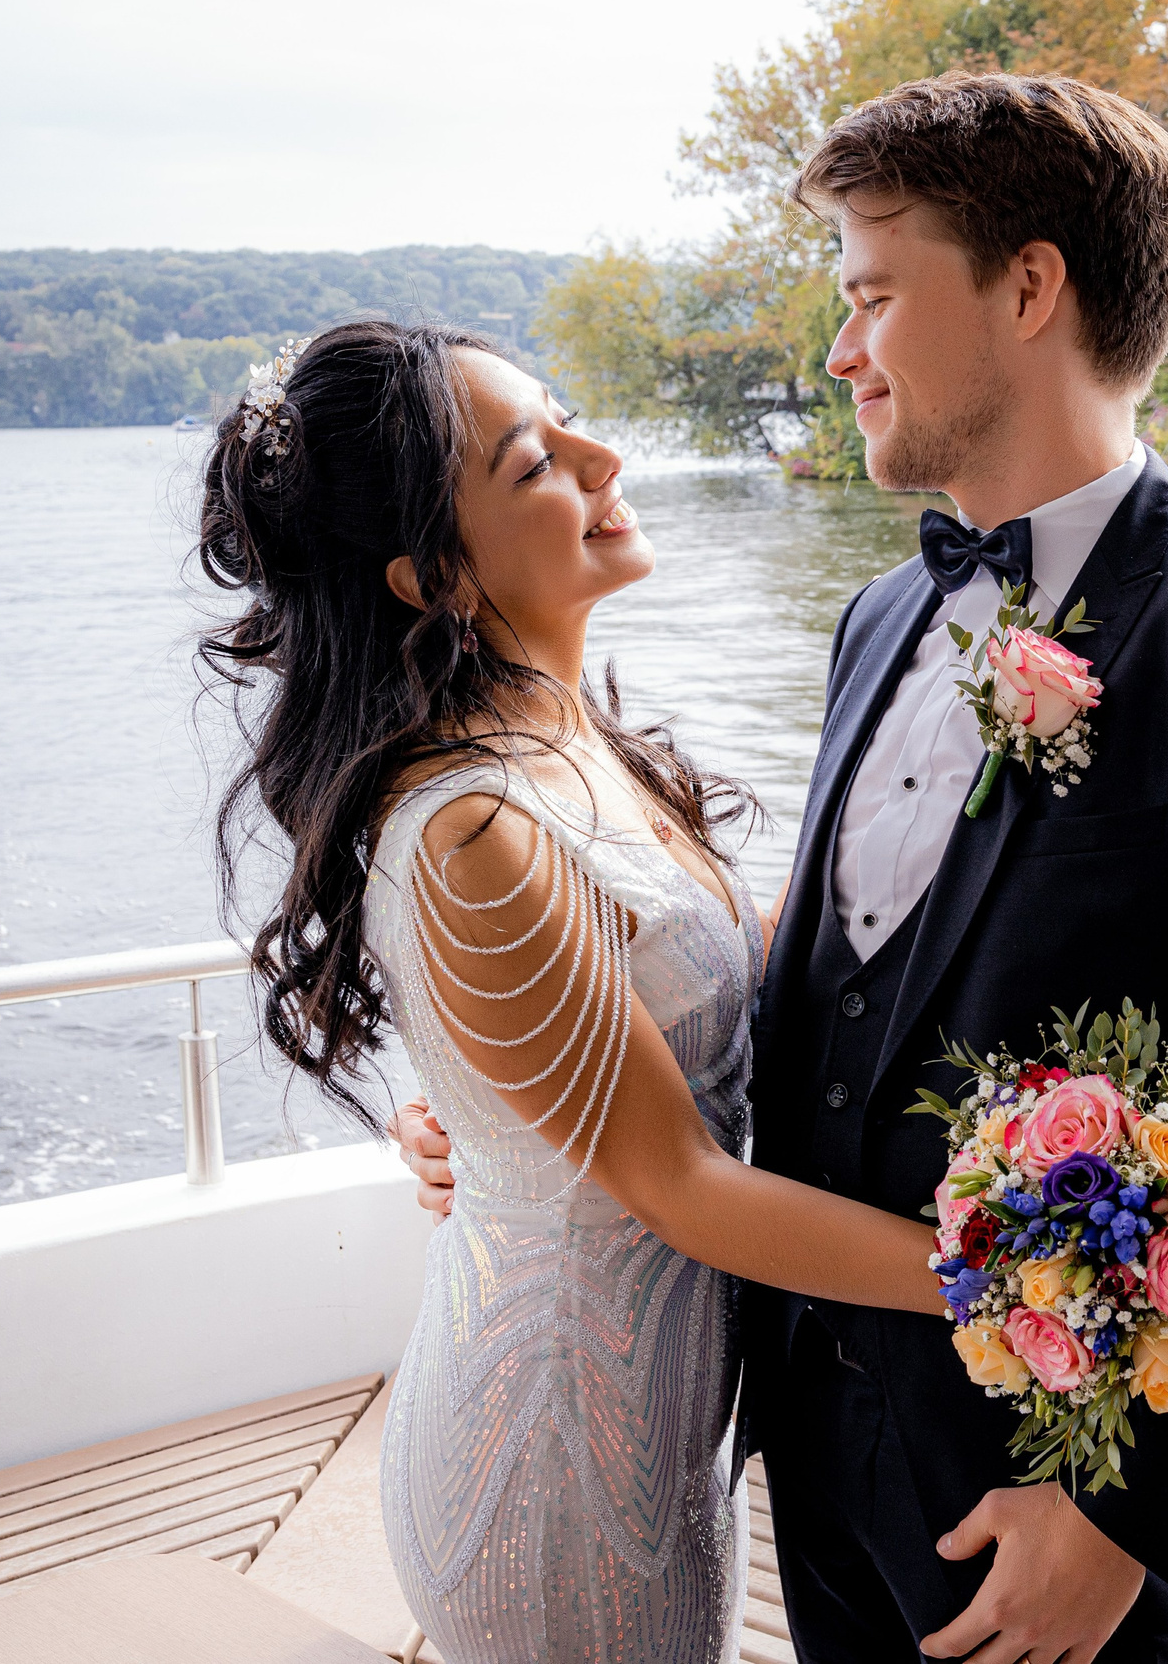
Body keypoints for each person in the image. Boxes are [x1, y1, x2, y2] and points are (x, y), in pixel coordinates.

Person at [400, 72, 1168, 1664]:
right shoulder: (878, 622)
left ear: (1029, 288)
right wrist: (529, 1085)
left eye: (875, 296)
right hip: (807, 1481)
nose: (840, 349)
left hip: (1060, 1523)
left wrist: (1127, 1525)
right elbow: (824, 999)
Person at [198, 318, 945, 1664]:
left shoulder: (576, 741)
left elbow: (704, 997)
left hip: (659, 1422)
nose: (605, 458)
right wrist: (1014, 1286)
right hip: (557, 1449)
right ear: (431, 576)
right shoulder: (472, 826)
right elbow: (681, 1186)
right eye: (538, 460)